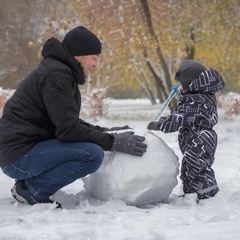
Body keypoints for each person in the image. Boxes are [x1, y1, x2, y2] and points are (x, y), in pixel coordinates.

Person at [0, 26, 147, 208]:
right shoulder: (56, 74)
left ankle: (30, 185)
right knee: (91, 154)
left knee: (91, 148)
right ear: (78, 55)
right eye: (94, 58)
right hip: (18, 156)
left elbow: (65, 121)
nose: (96, 64)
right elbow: (68, 129)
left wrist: (103, 132)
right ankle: (31, 191)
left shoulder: (57, 71)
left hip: (22, 151)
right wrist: (112, 141)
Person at [147, 60, 225, 202]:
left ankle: (207, 196)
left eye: (181, 83)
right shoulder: (197, 96)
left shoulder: (196, 100)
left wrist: (160, 125)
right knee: (189, 166)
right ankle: (191, 194)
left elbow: (178, 119)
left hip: (199, 138)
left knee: (198, 168)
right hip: (197, 137)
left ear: (190, 82)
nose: (178, 86)